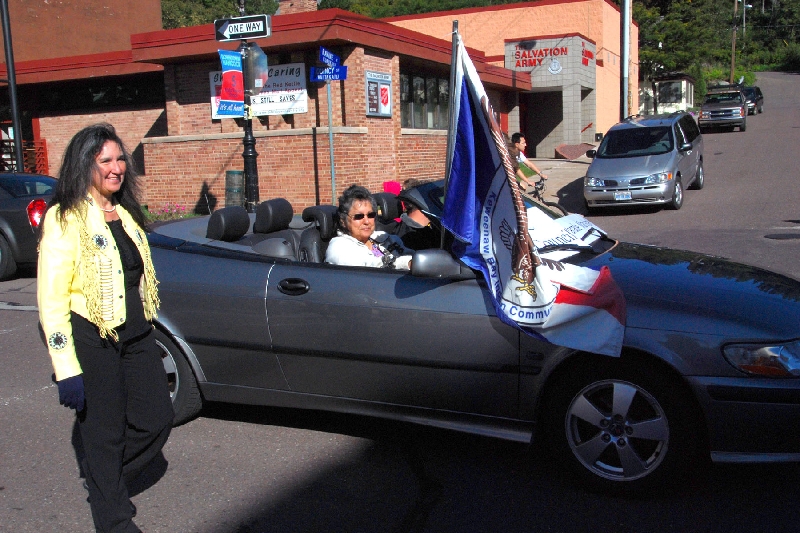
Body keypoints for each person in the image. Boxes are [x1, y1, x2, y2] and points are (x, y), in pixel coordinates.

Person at [38, 123, 173, 533]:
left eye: (120, 159)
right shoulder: (66, 218)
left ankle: (102, 476)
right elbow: (51, 299)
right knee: (104, 433)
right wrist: (67, 369)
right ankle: (114, 518)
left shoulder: (126, 213)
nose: (116, 168)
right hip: (91, 338)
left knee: (157, 420)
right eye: (105, 161)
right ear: (85, 166)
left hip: (136, 336)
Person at [325, 184, 413, 269]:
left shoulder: (388, 239)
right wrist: (406, 263)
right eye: (358, 216)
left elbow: (414, 256)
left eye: (371, 215)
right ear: (343, 221)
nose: (366, 221)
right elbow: (369, 267)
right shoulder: (339, 247)